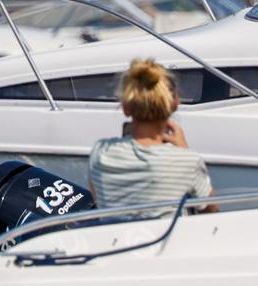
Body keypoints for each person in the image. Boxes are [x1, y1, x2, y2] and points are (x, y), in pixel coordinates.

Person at [88, 58, 217, 213]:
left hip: (119, 236)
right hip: (167, 237)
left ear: (126, 108)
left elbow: (98, 199)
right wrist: (184, 150)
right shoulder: (187, 160)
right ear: (175, 103)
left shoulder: (101, 151)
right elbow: (211, 211)